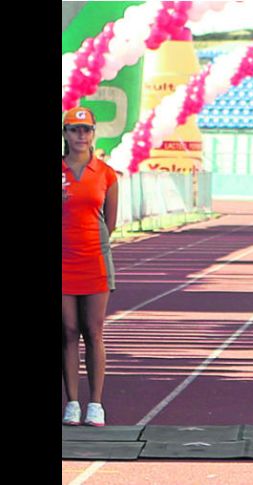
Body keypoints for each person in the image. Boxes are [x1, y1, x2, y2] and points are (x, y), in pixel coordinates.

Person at [62, 107, 119, 427]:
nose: (80, 136)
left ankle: (95, 402)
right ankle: (72, 401)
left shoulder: (106, 174)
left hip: (94, 259)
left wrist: (93, 245)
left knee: (93, 331)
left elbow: (109, 223)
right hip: (62, 260)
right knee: (68, 331)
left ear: (94, 133)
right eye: (74, 130)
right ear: (65, 134)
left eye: (86, 130)